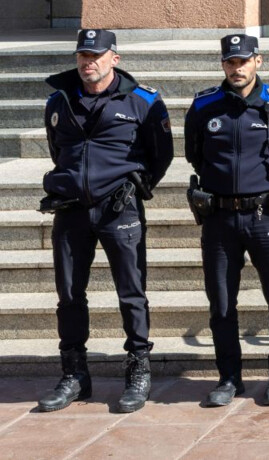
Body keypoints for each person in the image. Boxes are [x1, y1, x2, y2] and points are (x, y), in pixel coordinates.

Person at [37, 28, 173, 414]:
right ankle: (75, 374)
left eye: (95, 55)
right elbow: (57, 150)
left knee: (131, 293)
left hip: (119, 208)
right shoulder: (59, 101)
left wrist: (132, 184)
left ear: (115, 57)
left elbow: (161, 155)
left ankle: (138, 371)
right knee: (69, 294)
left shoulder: (142, 101)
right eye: (82, 54)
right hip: (70, 210)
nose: (87, 62)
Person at [184, 35, 269, 408]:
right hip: (220, 219)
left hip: (267, 216)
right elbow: (195, 155)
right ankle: (229, 378)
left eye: (243, 61)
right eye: (230, 62)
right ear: (223, 65)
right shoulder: (204, 105)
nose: (236, 68)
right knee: (222, 304)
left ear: (258, 61)